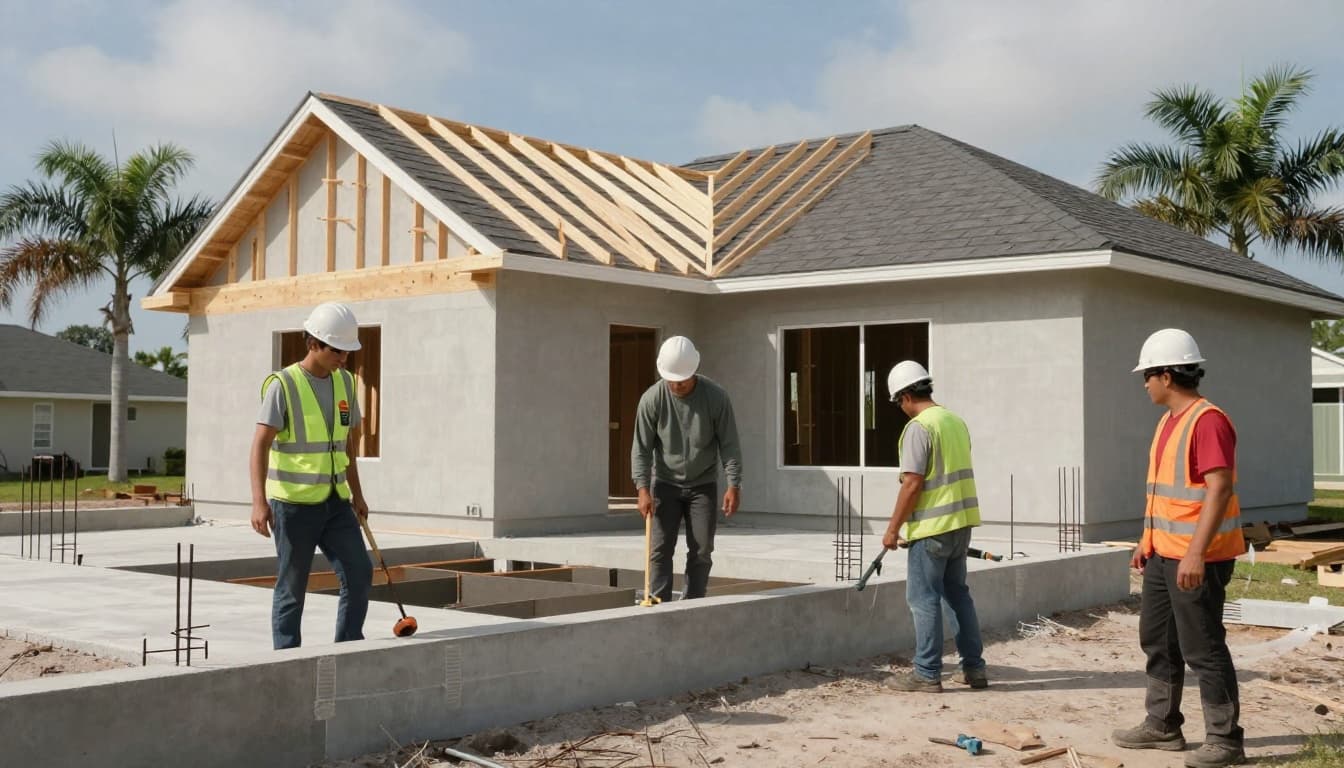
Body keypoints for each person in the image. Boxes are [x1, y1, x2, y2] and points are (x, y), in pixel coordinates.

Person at [1112, 329, 1246, 768]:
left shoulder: (1207, 420)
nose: (1144, 384)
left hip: (1196, 559)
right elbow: (1164, 494)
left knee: (1203, 647)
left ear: (1166, 376)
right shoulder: (1169, 421)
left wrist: (1194, 554)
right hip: (1161, 555)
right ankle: (1162, 724)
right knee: (1157, 640)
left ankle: (1225, 740)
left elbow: (1219, 488)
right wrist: (1145, 540)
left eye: (1147, 376)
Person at [249, 302, 374, 650]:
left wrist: (358, 495)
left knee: (359, 572)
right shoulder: (283, 385)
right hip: (293, 505)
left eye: (348, 352)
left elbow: (349, 446)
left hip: (337, 501)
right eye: (337, 350)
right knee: (292, 587)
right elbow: (259, 446)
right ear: (314, 343)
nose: (343, 359)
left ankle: (349, 646)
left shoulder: (347, 383)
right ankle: (288, 656)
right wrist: (259, 503)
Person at [881, 360, 987, 693]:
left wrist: (892, 528)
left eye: (899, 402)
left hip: (931, 530)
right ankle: (974, 669)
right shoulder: (955, 422)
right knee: (958, 596)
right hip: (960, 525)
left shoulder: (919, 427)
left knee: (922, 599)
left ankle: (926, 673)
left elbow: (912, 483)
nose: (901, 409)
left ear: (905, 396)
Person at [632, 336, 742, 601]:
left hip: (702, 485)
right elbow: (641, 449)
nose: (677, 385)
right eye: (672, 380)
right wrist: (642, 488)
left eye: (682, 379)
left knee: (702, 549)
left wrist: (733, 484)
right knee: (659, 549)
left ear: (694, 371)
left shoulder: (716, 398)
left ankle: (693, 602)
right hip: (665, 484)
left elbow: (729, 445)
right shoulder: (652, 399)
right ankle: (659, 601)